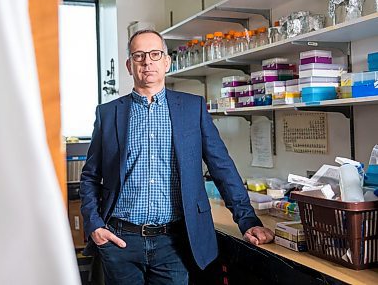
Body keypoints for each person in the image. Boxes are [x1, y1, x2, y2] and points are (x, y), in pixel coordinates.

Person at [80, 29, 274, 284]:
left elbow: (221, 168)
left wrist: (247, 219)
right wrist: (94, 224)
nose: (147, 61)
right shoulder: (108, 114)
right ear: (129, 65)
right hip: (120, 241)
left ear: (166, 61)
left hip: (174, 243)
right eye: (138, 56)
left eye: (154, 54)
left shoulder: (192, 108)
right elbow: (90, 177)